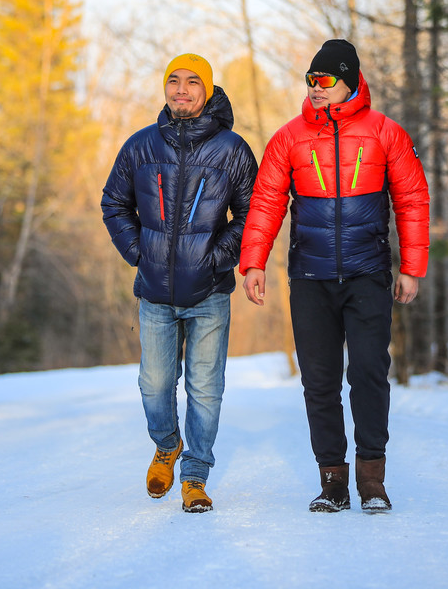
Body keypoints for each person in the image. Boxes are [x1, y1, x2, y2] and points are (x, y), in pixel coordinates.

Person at [239, 39, 429, 513]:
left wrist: (411, 268)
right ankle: (332, 483)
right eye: (310, 80)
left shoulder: (387, 133)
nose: (315, 88)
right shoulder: (288, 137)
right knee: (319, 381)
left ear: (349, 81)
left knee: (368, 372)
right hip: (310, 277)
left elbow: (412, 200)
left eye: (324, 79)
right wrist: (254, 262)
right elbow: (265, 202)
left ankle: (373, 482)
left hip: (367, 275)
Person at [102, 53, 258, 513]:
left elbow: (252, 216)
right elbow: (114, 203)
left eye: (193, 82)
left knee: (206, 389)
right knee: (154, 384)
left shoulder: (231, 150)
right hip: (154, 293)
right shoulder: (140, 146)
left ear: (207, 91)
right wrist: (139, 253)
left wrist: (213, 259)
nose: (182, 89)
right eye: (174, 81)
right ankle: (166, 444)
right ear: (165, 88)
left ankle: (195, 475)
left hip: (209, 293)